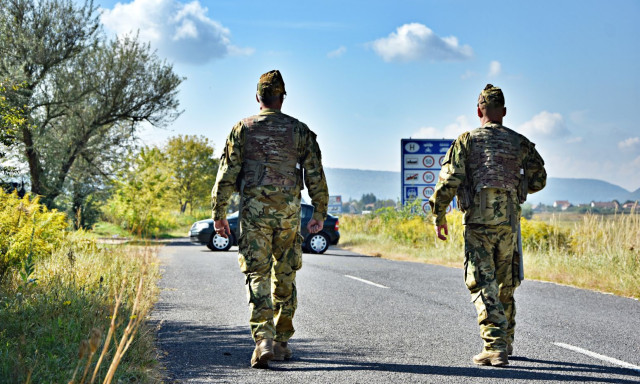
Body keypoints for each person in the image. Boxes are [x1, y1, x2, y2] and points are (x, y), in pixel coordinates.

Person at [211, 70, 329, 369]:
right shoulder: (299, 130)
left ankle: (263, 339)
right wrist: (318, 213)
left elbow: (226, 174)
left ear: (258, 98)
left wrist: (219, 213)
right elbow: (315, 173)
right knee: (285, 274)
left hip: (254, 215)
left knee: (258, 274)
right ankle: (281, 341)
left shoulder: (243, 128)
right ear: (282, 98)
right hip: (288, 216)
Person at [428, 84, 546, 367]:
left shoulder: (467, 140)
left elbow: (451, 179)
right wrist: (516, 188)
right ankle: (506, 341)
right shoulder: (520, 142)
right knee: (506, 283)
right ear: (503, 112)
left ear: (479, 110)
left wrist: (439, 214)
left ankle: (494, 347)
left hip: (479, 223)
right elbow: (539, 179)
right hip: (508, 222)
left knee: (483, 282)